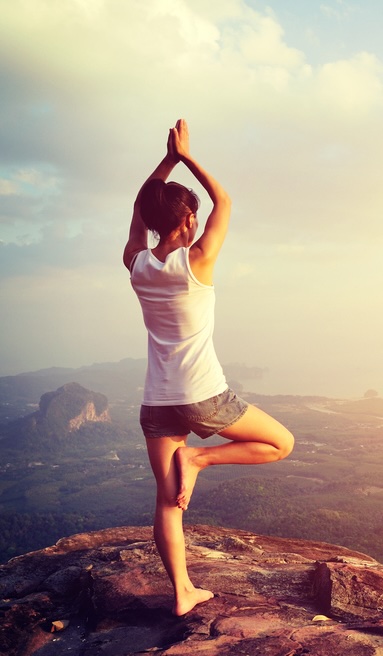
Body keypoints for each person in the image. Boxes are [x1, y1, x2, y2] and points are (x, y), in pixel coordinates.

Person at [123, 119, 294, 617]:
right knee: (281, 443)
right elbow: (227, 201)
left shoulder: (135, 262)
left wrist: (168, 162)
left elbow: (140, 206)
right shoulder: (198, 260)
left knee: (164, 499)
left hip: (157, 401)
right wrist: (187, 156)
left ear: (153, 221)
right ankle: (200, 461)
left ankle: (182, 593)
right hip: (204, 396)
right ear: (190, 220)